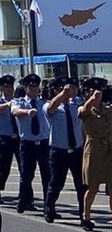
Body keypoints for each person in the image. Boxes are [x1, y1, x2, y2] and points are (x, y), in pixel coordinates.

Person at [78, 77, 112, 232]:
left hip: (108, 149)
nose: (98, 93)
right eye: (94, 90)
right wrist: (91, 100)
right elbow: (83, 112)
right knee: (93, 188)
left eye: (100, 91)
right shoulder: (84, 108)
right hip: (94, 149)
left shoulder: (108, 109)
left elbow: (110, 128)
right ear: (87, 92)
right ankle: (86, 215)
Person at [44, 77, 86, 224]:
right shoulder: (50, 105)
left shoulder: (79, 104)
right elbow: (50, 109)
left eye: (72, 88)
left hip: (76, 150)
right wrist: (63, 95)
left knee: (81, 184)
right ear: (56, 90)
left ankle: (84, 214)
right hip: (58, 151)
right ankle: (49, 208)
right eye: (62, 88)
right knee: (56, 182)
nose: (70, 91)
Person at [11, 73, 50, 214]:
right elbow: (15, 111)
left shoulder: (44, 103)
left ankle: (48, 205)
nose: (33, 89)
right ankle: (24, 200)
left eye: (36, 87)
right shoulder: (19, 101)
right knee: (26, 175)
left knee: (47, 175)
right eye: (30, 87)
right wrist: (27, 112)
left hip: (43, 144)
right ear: (25, 87)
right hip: (27, 144)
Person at [0, 75, 21, 204]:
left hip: (18, 138)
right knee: (3, 168)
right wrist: (8, 105)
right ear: (2, 88)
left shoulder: (18, 101)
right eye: (6, 87)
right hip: (4, 138)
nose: (9, 89)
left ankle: (25, 197)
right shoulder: (2, 101)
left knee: (24, 169)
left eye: (11, 87)